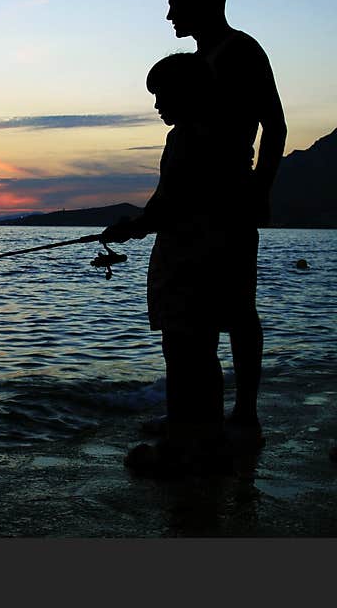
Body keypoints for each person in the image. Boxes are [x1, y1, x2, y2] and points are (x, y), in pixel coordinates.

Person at [144, 0, 287, 446]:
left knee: (236, 311)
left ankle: (243, 415)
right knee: (195, 320)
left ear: (206, 0)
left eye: (175, 2)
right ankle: (194, 419)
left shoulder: (239, 51)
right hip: (191, 209)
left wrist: (259, 188)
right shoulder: (193, 62)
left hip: (228, 202)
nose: (168, 14)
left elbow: (275, 126)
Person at [104, 52, 243, 475]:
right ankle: (208, 440)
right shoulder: (221, 133)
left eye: (162, 93)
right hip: (216, 252)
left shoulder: (187, 137)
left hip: (188, 259)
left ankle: (181, 449)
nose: (157, 104)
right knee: (202, 351)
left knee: (182, 350)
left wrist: (133, 226)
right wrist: (139, 224)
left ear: (187, 92)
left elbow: (172, 201)